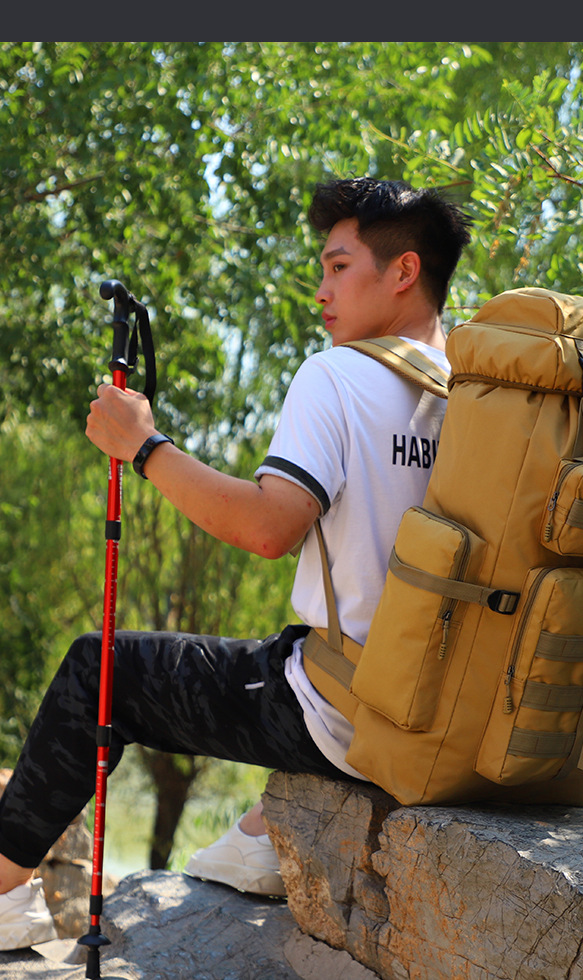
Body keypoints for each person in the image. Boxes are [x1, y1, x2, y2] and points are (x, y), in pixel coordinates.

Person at [0, 177, 471, 950]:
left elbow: (267, 526)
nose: (321, 291)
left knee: (100, 668)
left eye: (339, 267)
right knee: (283, 648)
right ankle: (264, 830)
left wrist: (143, 447)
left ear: (404, 271)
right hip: (452, 716)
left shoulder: (338, 376)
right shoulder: (478, 396)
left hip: (348, 713)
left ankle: (2, 891)